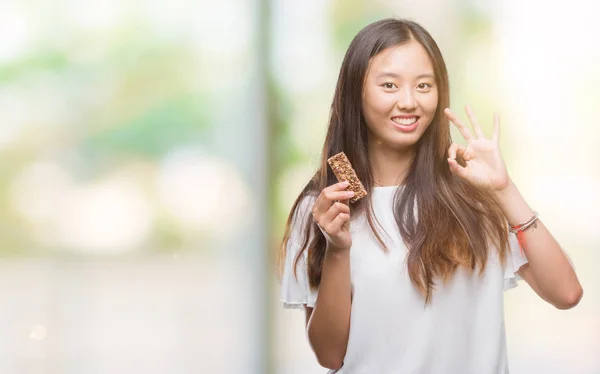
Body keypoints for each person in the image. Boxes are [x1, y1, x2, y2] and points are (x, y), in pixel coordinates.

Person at [278, 18, 583, 374]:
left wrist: (504, 190)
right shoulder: (327, 206)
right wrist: (337, 249)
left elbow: (566, 293)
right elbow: (330, 355)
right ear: (355, 92)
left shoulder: (473, 194)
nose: (409, 102)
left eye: (424, 85)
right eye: (389, 85)